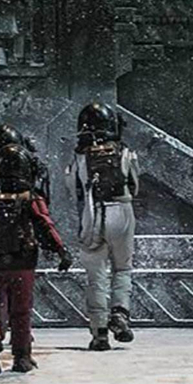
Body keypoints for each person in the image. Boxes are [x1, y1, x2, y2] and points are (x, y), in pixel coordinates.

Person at [0, 144, 72, 377]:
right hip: (22, 261)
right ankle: (22, 356)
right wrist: (61, 251)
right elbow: (45, 225)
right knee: (21, 311)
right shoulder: (30, 197)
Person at [65, 102, 139, 351]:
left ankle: (99, 332)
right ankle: (120, 313)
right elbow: (135, 184)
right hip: (123, 210)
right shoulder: (125, 152)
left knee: (95, 276)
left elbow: (72, 189)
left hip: (93, 212)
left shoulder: (79, 157)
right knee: (122, 268)